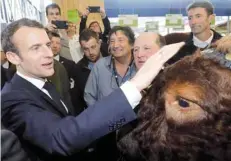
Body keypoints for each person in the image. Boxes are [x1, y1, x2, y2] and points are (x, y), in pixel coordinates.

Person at [1, 18, 184, 161]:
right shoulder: (12, 98)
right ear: (13, 57)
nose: (49, 53)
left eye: (48, 45)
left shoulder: (42, 82)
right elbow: (61, 137)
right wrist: (136, 84)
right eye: (35, 48)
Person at [84, 26, 137, 106]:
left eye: (120, 40)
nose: (115, 45)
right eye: (112, 41)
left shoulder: (139, 67)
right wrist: (99, 115)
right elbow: (89, 96)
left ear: (132, 44)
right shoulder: (100, 66)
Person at [73, 29, 107, 114]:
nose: (90, 52)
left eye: (93, 47)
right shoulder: (78, 69)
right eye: (86, 49)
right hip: (94, 115)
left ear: (99, 43)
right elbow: (78, 99)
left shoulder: (113, 60)